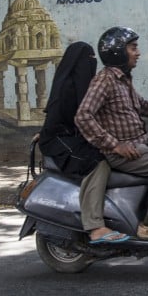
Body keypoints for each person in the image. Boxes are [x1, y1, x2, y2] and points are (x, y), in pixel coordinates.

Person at [75, 27, 148, 242]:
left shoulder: (122, 80)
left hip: (142, 144)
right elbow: (83, 115)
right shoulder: (105, 80)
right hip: (125, 152)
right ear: (118, 51)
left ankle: (146, 214)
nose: (138, 53)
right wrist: (114, 145)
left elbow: (143, 106)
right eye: (133, 48)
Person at [39, 41, 129, 245]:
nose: (91, 65)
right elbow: (70, 118)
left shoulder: (69, 82)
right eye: (88, 61)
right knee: (97, 162)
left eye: (93, 61)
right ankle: (95, 226)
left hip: (68, 136)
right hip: (60, 140)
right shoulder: (69, 88)